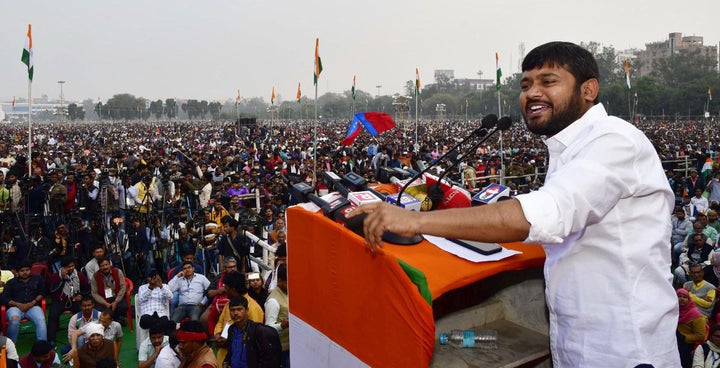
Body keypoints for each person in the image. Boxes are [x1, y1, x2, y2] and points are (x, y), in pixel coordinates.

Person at [349, 41, 679, 367]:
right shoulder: (568, 147)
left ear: (588, 89)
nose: (532, 93)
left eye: (548, 81)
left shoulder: (613, 141)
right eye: (526, 85)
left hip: (625, 351)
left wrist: (415, 222)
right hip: (579, 345)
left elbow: (544, 214)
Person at [212, 271, 265, 364]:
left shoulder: (253, 308)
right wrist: (217, 335)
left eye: (226, 288)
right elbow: (220, 322)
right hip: (223, 357)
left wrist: (229, 341)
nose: (224, 290)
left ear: (233, 289)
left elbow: (253, 337)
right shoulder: (228, 304)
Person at [219, 296, 281, 368]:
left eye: (239, 309)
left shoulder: (257, 330)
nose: (235, 313)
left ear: (247, 310)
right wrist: (226, 362)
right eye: (232, 310)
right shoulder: (231, 329)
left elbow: (266, 357)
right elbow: (230, 351)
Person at [47, 256, 91, 347]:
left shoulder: (79, 275)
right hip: (59, 300)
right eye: (68, 266)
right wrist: (63, 280)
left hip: (74, 300)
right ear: (63, 267)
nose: (71, 268)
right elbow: (52, 292)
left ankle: (84, 334)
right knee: (52, 315)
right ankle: (51, 340)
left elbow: (86, 289)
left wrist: (81, 296)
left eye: (72, 266)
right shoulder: (55, 276)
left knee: (81, 313)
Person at [1, 260, 47, 343]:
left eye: (27, 270)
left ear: (30, 270)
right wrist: (18, 304)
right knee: (14, 318)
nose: (25, 272)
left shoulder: (37, 279)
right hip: (15, 307)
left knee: (41, 320)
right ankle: (10, 344)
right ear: (17, 272)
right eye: (22, 271)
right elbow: (4, 298)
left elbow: (43, 292)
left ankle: (42, 344)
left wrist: (32, 302)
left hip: (33, 306)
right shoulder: (11, 282)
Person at [90, 256, 129, 324]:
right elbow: (94, 293)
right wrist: (104, 303)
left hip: (116, 297)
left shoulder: (118, 272)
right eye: (102, 266)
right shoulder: (95, 276)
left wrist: (116, 301)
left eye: (106, 264)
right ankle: (116, 319)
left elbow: (123, 287)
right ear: (99, 267)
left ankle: (113, 319)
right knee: (97, 311)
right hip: (103, 300)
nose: (105, 267)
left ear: (110, 264)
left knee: (123, 306)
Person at [265, 264, 289, 367]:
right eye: (288, 281)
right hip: (282, 351)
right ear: (280, 281)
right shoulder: (273, 301)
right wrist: (281, 326)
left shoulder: (288, 293)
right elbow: (268, 328)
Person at [677, 288, 707, 367]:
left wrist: (683, 337)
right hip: (674, 344)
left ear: (689, 299)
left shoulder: (695, 315)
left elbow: (701, 335)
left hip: (687, 347)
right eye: (679, 296)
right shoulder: (674, 311)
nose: (681, 299)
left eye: (684, 297)